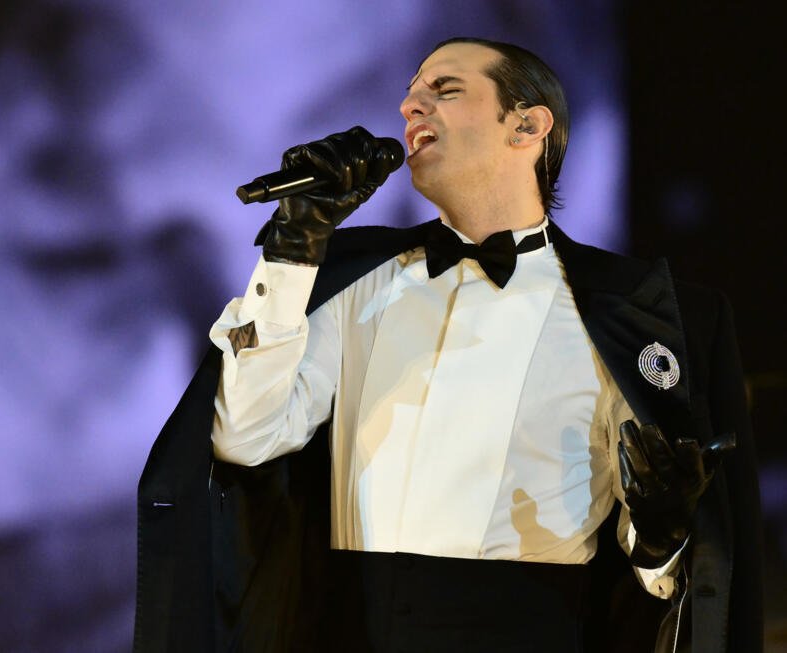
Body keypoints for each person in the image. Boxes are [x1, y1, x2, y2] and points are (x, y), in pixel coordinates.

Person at [135, 37, 762, 652]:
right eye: (410, 93)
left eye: (445, 89)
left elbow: (667, 567)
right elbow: (245, 438)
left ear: (527, 125)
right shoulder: (353, 280)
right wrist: (292, 251)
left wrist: (661, 534)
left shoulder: (629, 311)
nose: (410, 105)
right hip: (350, 627)